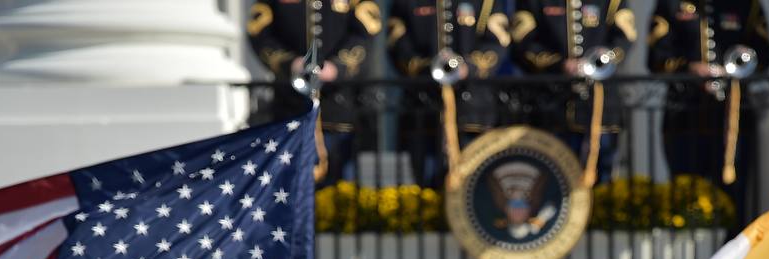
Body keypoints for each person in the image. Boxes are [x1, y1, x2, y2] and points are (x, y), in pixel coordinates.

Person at [646, 0, 769, 223]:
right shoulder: (671, 4)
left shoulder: (748, 5)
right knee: (686, 195)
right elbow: (656, 57)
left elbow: (764, 52)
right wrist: (690, 69)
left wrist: (737, 63)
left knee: (734, 197)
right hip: (684, 115)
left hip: (732, 117)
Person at [246, 0, 382, 183]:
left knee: (338, 182)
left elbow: (365, 33)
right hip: (290, 105)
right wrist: (290, 63)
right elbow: (260, 33)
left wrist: (338, 67)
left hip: (338, 105)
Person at [386, 0, 510, 188]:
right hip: (423, 104)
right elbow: (397, 42)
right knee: (420, 184)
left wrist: (469, 67)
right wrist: (428, 67)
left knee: (472, 183)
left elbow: (498, 42)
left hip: (473, 107)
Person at [510, 0, 636, 183]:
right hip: (551, 103)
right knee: (554, 175)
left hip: (602, 103)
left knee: (602, 173)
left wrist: (605, 56)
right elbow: (523, 42)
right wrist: (559, 63)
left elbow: (625, 37)